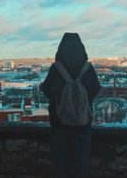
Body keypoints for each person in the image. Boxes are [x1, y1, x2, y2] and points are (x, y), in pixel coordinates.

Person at [41, 32, 101, 178]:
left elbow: (47, 89)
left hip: (59, 121)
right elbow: (95, 89)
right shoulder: (88, 68)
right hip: (83, 122)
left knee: (60, 161)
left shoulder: (56, 68)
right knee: (82, 161)